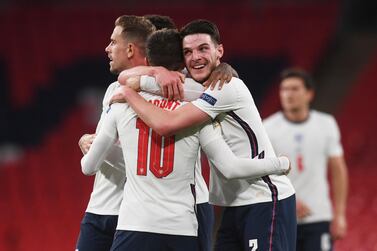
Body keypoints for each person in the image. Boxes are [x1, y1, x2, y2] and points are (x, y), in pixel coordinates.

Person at [82, 28, 291, 251]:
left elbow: (89, 166)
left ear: (148, 60)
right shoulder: (197, 107)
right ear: (183, 62)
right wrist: (282, 163)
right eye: (189, 52)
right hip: (183, 225)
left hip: (135, 223)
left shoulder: (120, 101)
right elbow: (228, 166)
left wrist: (130, 93)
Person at [75, 15, 155, 251]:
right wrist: (87, 139)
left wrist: (101, 147)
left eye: (113, 42)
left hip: (132, 216)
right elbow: (108, 140)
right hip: (98, 208)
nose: (107, 48)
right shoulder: (112, 90)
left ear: (130, 49)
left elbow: (142, 163)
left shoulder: (159, 92)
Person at [263, 68, 348, 251]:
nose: (288, 94)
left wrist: (339, 214)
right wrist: (288, 201)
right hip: (282, 217)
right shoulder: (267, 128)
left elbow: (338, 169)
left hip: (318, 216)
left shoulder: (326, 124)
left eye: (294, 89)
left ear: (309, 94)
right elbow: (262, 175)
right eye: (284, 89)